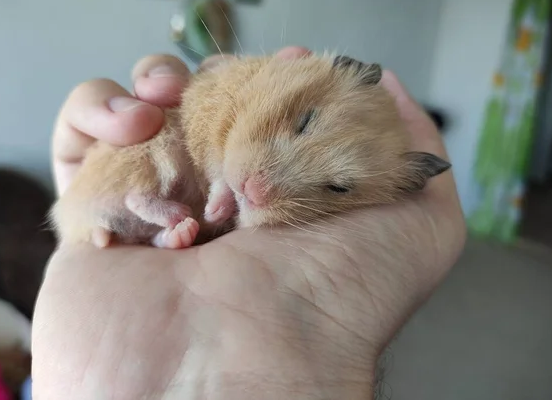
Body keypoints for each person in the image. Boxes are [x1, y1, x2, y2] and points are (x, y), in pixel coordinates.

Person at [31, 46, 466, 399]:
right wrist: (220, 173)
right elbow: (206, 116)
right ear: (336, 66)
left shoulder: (384, 194)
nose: (263, 188)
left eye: (336, 188)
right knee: (154, 136)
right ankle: (132, 203)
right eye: (305, 122)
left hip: (157, 232)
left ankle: (148, 220)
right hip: (138, 176)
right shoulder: (253, 77)